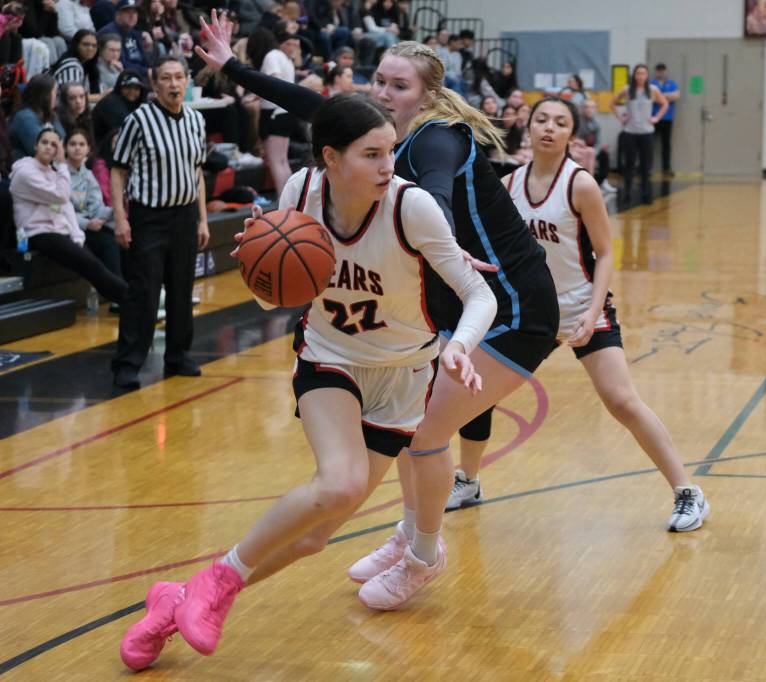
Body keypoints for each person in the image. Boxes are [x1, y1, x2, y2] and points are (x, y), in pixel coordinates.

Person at [117, 92, 497, 670]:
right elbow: (276, 282)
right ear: (331, 158)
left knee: (316, 535)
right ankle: (218, 584)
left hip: (401, 373)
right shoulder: (299, 192)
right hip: (329, 356)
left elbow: (479, 294)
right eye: (371, 155)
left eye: (391, 152)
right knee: (340, 483)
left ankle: (179, 600)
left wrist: (461, 348)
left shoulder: (410, 207)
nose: (388, 166)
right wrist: (261, 266)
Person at [199, 14, 559, 610]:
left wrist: (439, 229)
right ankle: (408, 537)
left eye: (399, 86)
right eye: (380, 81)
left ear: (428, 94)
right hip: (459, 298)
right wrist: (232, 68)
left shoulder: (436, 137)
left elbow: (435, 188)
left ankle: (422, 554)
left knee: (424, 432)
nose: (382, 93)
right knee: (413, 430)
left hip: (514, 307)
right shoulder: (374, 134)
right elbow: (318, 106)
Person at [446, 97, 709, 530]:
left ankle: (688, 492)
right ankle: (469, 480)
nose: (549, 128)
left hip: (579, 307)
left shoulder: (580, 184)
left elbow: (606, 253)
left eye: (561, 122)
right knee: (477, 392)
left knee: (621, 401)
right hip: (530, 312)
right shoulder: (509, 186)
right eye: (542, 120)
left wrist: (592, 311)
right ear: (527, 128)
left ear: (573, 134)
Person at [109, 56, 209, 389]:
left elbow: (197, 172)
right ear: (155, 84)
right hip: (148, 216)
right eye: (166, 78)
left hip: (185, 215)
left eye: (179, 77)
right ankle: (127, 363)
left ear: (187, 81)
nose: (174, 83)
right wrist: (121, 219)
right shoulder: (138, 120)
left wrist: (203, 219)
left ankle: (178, 356)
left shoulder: (196, 120)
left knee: (182, 290)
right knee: (144, 292)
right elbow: (118, 170)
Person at [10, 128, 127, 302]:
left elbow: (67, 209)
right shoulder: (25, 172)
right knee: (91, 264)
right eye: (45, 142)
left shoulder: (52, 173)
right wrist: (63, 164)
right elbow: (62, 196)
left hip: (60, 230)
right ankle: (134, 300)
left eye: (54, 144)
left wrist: (78, 237)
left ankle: (126, 300)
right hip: (37, 233)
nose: (49, 147)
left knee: (96, 260)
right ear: (35, 146)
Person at [246, 25, 303, 198]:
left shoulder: (271, 56)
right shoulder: (285, 59)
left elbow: (273, 83)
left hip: (274, 112)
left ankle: (283, 200)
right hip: (286, 112)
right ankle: (289, 200)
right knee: (282, 160)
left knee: (275, 161)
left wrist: (253, 96)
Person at [64, 127, 120, 281]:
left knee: (115, 240)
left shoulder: (88, 175)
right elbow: (58, 210)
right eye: (73, 144)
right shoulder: (58, 174)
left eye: (82, 144)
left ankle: (123, 292)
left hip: (91, 227)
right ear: (65, 148)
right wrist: (87, 223)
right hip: (69, 230)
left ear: (88, 149)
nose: (77, 148)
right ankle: (118, 292)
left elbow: (96, 205)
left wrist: (106, 215)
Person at [613, 64, 666, 205]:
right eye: (638, 73)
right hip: (630, 132)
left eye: (643, 73)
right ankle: (627, 194)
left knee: (645, 166)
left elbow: (664, 104)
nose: (640, 76)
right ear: (634, 75)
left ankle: (646, 195)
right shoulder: (627, 89)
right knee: (629, 165)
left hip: (647, 133)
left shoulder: (653, 90)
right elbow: (612, 103)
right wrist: (620, 118)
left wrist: (656, 118)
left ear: (647, 75)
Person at [9, 73, 64, 160]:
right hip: (26, 168)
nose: (56, 96)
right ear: (45, 96)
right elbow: (38, 150)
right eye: (54, 92)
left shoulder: (50, 114)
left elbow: (64, 140)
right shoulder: (24, 117)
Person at [91, 68, 144, 146]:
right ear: (120, 88)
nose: (132, 91)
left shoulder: (135, 104)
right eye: (128, 87)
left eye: (136, 88)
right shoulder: (112, 104)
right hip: (100, 149)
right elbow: (126, 133)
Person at [98, 0, 149, 77]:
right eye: (128, 12)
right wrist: (147, 71)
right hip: (122, 75)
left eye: (134, 12)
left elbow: (145, 59)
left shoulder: (135, 33)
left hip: (140, 73)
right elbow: (121, 63)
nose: (132, 15)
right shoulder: (110, 33)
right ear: (118, 15)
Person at [650, 63, 679, 176]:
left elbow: (676, 96)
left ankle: (666, 168)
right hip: (654, 118)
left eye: (662, 70)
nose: (660, 72)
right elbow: (650, 98)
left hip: (667, 118)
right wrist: (666, 97)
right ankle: (648, 168)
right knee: (650, 144)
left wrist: (660, 96)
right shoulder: (651, 84)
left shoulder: (671, 83)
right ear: (656, 71)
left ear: (665, 71)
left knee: (666, 144)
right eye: (658, 70)